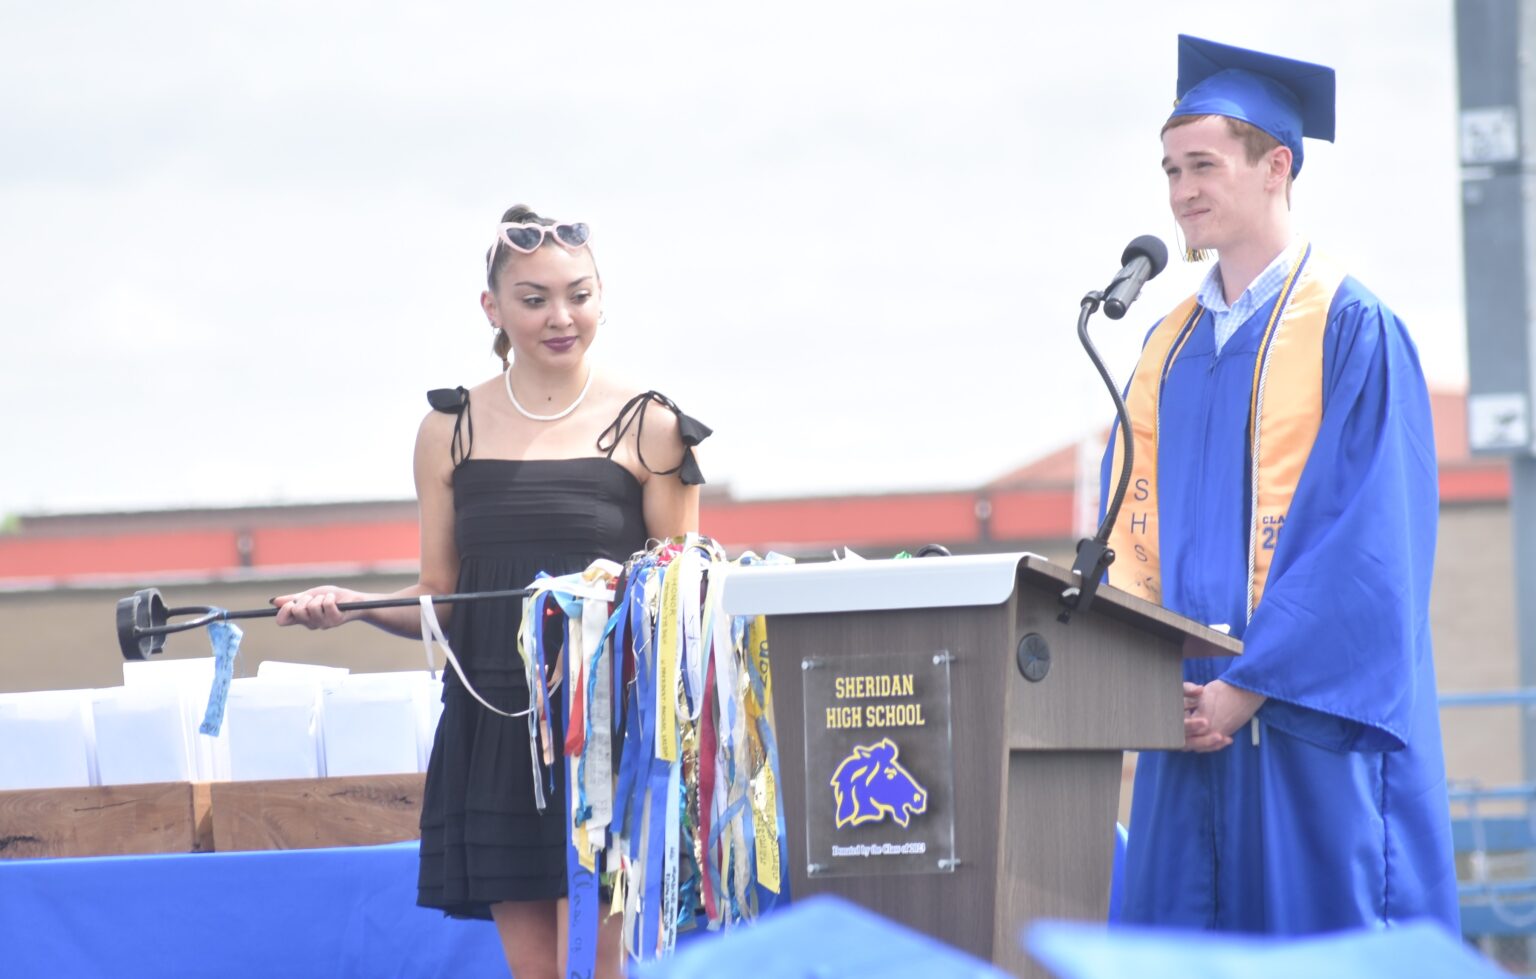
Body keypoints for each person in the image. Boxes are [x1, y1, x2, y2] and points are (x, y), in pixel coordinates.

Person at [275, 204, 706, 978]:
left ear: (604, 296)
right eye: (534, 298)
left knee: (602, 968)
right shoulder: (450, 428)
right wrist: (356, 605)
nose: (560, 316)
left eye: (578, 293)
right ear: (493, 309)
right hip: (496, 727)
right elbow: (440, 594)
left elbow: (680, 602)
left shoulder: (655, 426)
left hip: (605, 735)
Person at [1101, 35, 1459, 933]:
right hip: (1185, 734)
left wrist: (1248, 685)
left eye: (1204, 166)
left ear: (1277, 166)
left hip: (1310, 737)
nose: (1182, 191)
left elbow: (1367, 545)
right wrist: (1156, 686)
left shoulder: (1351, 328)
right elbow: (1126, 536)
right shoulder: (1165, 351)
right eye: (1171, 170)